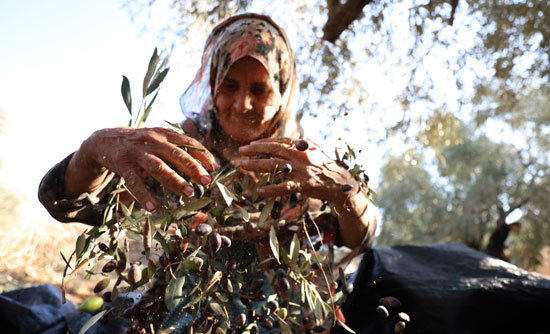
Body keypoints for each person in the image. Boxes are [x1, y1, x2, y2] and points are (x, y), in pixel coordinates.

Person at [36, 13, 377, 333]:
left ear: (282, 93)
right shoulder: (179, 150)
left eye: (259, 90)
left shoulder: (306, 163)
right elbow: (68, 203)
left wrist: (343, 187)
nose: (242, 104)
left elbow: (361, 238)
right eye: (229, 85)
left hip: (282, 313)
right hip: (184, 307)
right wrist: (92, 151)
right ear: (212, 84)